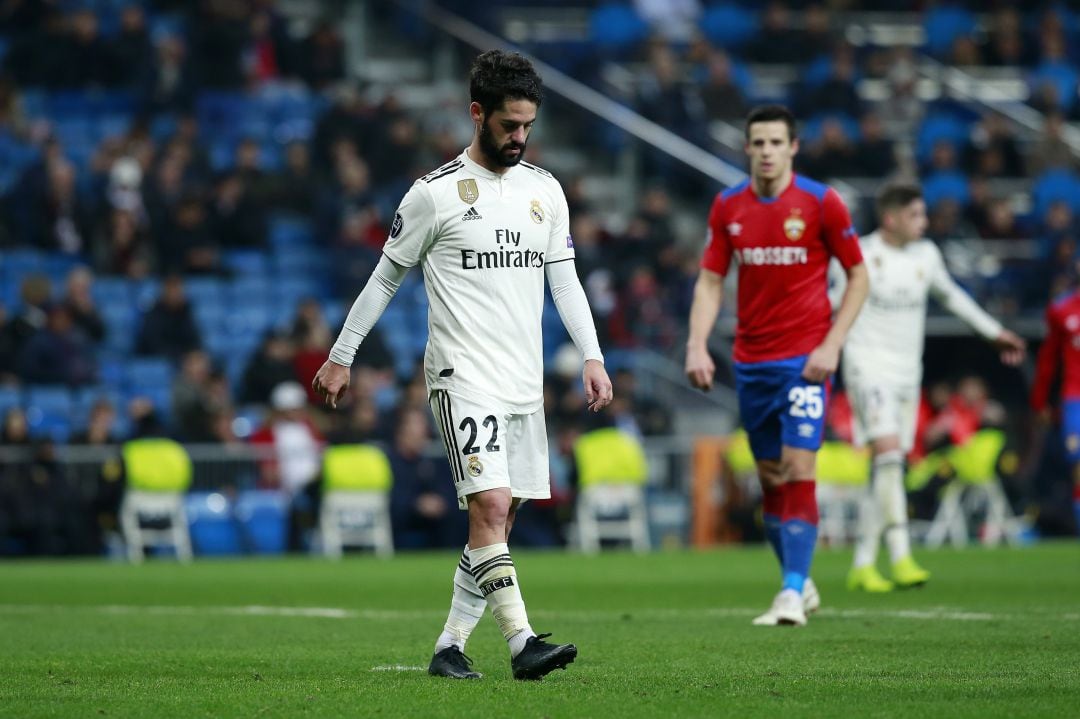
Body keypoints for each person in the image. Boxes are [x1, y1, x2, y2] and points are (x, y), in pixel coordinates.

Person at [313, 50, 612, 680]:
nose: (520, 138)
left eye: (528, 126)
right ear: (477, 114)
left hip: (523, 381)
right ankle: (522, 643)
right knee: (492, 503)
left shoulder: (545, 191)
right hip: (462, 374)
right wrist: (341, 356)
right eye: (508, 125)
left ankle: (449, 646)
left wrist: (592, 355)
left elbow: (567, 283)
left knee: (498, 518)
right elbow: (384, 278)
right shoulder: (434, 194)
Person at [684, 104, 869, 627]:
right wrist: (697, 344)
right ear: (747, 148)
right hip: (752, 362)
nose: (766, 151)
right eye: (757, 142)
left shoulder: (821, 203)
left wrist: (832, 345)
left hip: (806, 360)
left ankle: (790, 591)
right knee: (769, 478)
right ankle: (800, 576)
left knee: (799, 467)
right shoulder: (727, 208)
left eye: (775, 142)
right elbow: (711, 280)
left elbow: (859, 277)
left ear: (793, 148)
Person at [832, 182, 1026, 592]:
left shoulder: (926, 255)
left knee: (885, 468)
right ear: (891, 218)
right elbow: (830, 301)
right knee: (888, 457)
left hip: (907, 375)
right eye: (915, 215)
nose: (924, 222)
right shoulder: (860, 254)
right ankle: (901, 556)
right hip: (868, 369)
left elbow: (953, 296)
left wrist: (993, 332)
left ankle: (863, 564)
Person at [1030, 284, 1080, 536]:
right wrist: (1040, 402)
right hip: (1075, 397)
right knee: (1077, 460)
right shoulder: (1062, 310)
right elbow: (1048, 360)